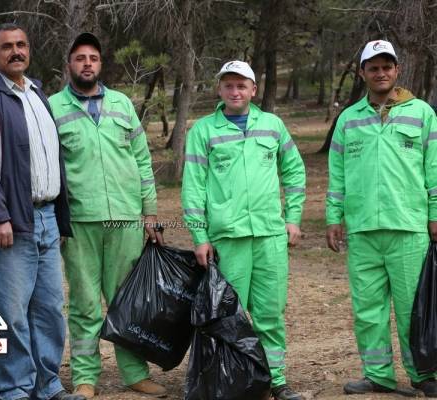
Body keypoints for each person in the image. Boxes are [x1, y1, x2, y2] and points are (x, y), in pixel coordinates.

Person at [0, 23, 83, 400]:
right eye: (7, 46)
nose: (16, 51)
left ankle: (47, 386)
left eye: (22, 45)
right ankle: (14, 390)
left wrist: (58, 218)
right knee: (10, 314)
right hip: (7, 223)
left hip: (45, 219)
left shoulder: (36, 93)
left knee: (49, 310)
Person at [48, 33, 165, 399]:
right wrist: (55, 218)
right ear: (69, 64)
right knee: (84, 303)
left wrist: (149, 212)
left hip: (125, 219)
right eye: (80, 57)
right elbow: (48, 168)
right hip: (80, 221)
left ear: (100, 64)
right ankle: (86, 377)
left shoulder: (122, 105)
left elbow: (142, 160)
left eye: (93, 58)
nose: (87, 63)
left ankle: (135, 373)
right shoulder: (52, 107)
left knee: (126, 301)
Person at [181, 60, 306, 400]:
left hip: (269, 236)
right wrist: (200, 237)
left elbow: (294, 171)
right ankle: (234, 380)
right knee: (228, 317)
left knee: (270, 313)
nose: (235, 91)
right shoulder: (203, 131)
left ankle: (275, 380)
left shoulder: (272, 126)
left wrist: (293, 217)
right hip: (228, 239)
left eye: (241, 85)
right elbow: (193, 188)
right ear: (220, 89)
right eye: (228, 85)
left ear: (253, 89)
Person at [326, 39, 437, 397]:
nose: (381, 73)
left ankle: (423, 374)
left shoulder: (422, 113)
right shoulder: (348, 119)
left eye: (387, 66)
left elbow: (434, 168)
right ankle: (377, 375)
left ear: (397, 70)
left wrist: (435, 213)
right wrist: (333, 217)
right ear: (362, 73)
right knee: (368, 310)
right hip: (362, 230)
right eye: (373, 67)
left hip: (408, 227)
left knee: (412, 309)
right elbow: (337, 174)